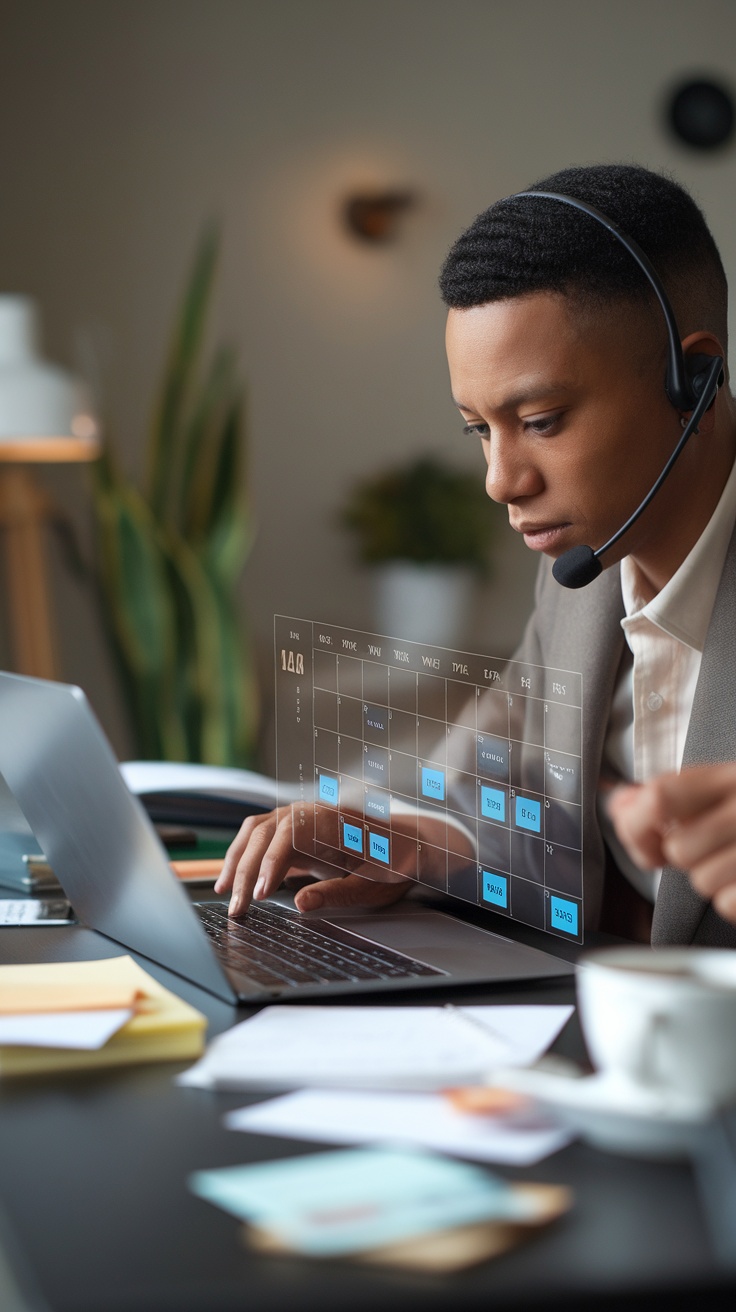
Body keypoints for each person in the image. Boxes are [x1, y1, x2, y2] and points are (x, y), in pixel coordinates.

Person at [217, 163, 736, 947]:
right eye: (479, 429)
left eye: (543, 419)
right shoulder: (581, 570)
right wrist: (413, 842)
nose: (502, 481)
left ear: (692, 379)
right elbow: (498, 782)